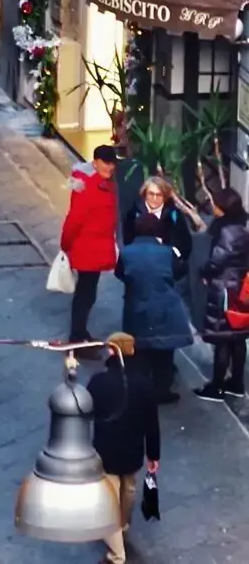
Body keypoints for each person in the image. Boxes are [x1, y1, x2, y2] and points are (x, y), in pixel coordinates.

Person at [87, 336, 157, 546]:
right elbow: (152, 423)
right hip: (133, 448)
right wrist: (154, 454)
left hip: (106, 447)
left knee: (109, 494)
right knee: (129, 488)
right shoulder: (144, 383)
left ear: (111, 352)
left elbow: (86, 410)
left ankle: (115, 548)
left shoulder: (98, 382)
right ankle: (124, 523)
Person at [120, 220, 195, 414]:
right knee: (164, 352)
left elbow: (120, 273)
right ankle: (162, 391)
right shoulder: (167, 252)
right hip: (165, 305)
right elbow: (179, 271)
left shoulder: (126, 252)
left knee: (141, 351)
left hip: (137, 304)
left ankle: (140, 390)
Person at [63, 145, 124, 345]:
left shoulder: (103, 183)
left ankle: (80, 333)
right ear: (95, 162)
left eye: (112, 163)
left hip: (95, 250)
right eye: (106, 162)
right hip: (88, 250)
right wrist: (65, 244)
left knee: (87, 292)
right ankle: (77, 336)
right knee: (85, 294)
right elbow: (74, 219)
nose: (110, 167)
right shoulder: (89, 186)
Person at [194, 186, 248, 398]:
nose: (213, 207)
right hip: (241, 288)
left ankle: (216, 386)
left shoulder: (226, 231)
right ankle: (236, 383)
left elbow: (217, 261)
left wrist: (204, 272)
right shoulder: (243, 227)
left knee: (222, 338)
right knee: (238, 337)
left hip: (224, 289)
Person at [118, 170, 194, 272]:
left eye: (159, 195)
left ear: (165, 197)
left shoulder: (174, 214)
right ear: (144, 194)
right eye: (151, 194)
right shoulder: (133, 212)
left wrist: (175, 255)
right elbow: (127, 240)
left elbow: (185, 242)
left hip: (167, 267)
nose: (154, 198)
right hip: (140, 267)